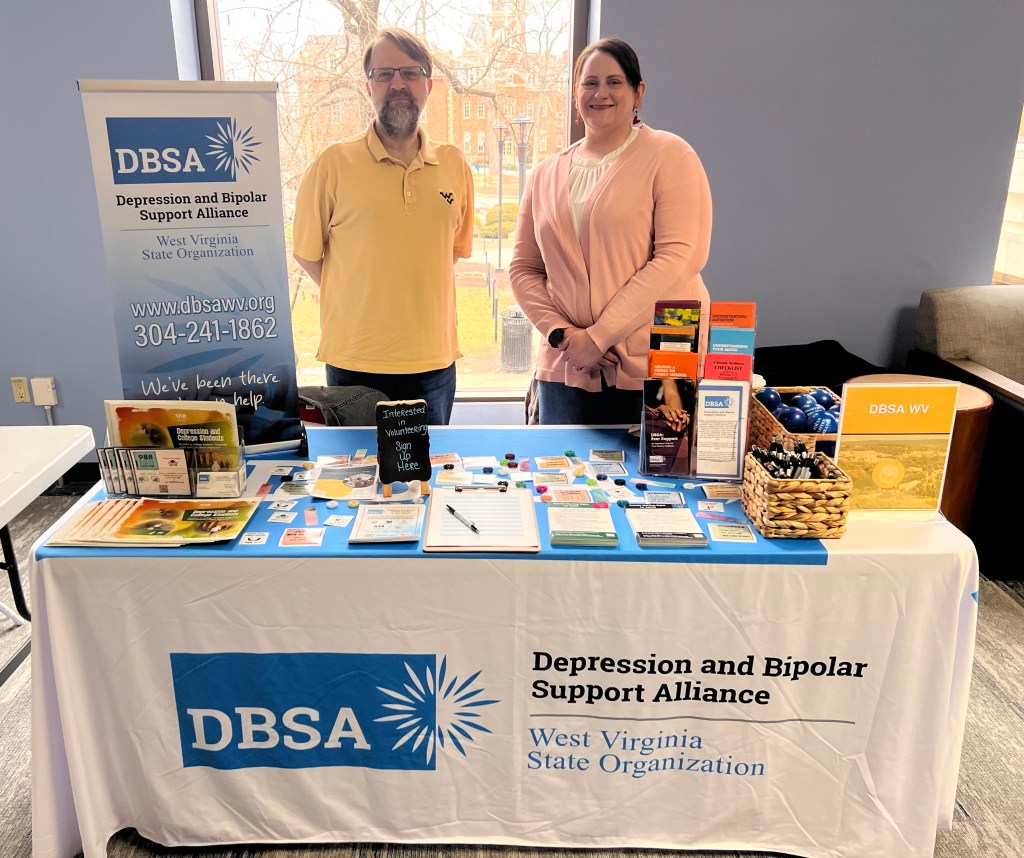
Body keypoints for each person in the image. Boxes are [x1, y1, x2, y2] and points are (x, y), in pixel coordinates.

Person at [509, 37, 712, 425]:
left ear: (638, 93)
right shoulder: (545, 174)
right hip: (567, 365)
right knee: (560, 478)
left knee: (660, 476)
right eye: (589, 83)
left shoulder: (671, 155)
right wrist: (564, 337)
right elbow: (523, 269)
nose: (600, 92)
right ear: (575, 94)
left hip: (660, 358)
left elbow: (680, 258)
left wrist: (598, 337)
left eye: (614, 82)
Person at [292, 28, 474, 425]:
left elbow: (451, 252)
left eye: (410, 73)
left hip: (432, 365)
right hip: (354, 362)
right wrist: (360, 294)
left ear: (428, 85)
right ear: (368, 85)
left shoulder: (455, 165)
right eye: (384, 73)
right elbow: (307, 254)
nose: (398, 84)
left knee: (425, 482)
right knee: (353, 481)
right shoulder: (332, 164)